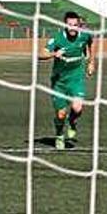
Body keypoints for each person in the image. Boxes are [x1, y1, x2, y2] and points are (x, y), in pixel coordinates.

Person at [39, 11, 95, 150]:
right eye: (69, 25)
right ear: (65, 25)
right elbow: (41, 54)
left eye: (75, 25)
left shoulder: (85, 35)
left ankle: (72, 121)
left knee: (77, 107)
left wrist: (91, 62)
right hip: (59, 82)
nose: (72, 28)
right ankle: (59, 135)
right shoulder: (57, 39)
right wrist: (54, 54)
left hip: (76, 79)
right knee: (60, 114)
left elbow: (90, 44)